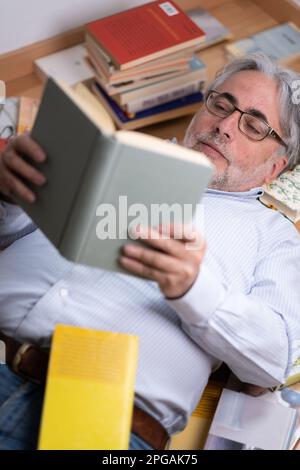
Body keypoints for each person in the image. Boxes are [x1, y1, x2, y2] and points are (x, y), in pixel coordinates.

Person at [0, 53, 300, 450]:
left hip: (104, 418)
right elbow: (11, 234)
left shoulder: (276, 236)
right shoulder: (112, 154)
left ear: (275, 167)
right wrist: (9, 197)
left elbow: (270, 360)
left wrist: (193, 288)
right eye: (221, 104)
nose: (225, 126)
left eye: (255, 125)